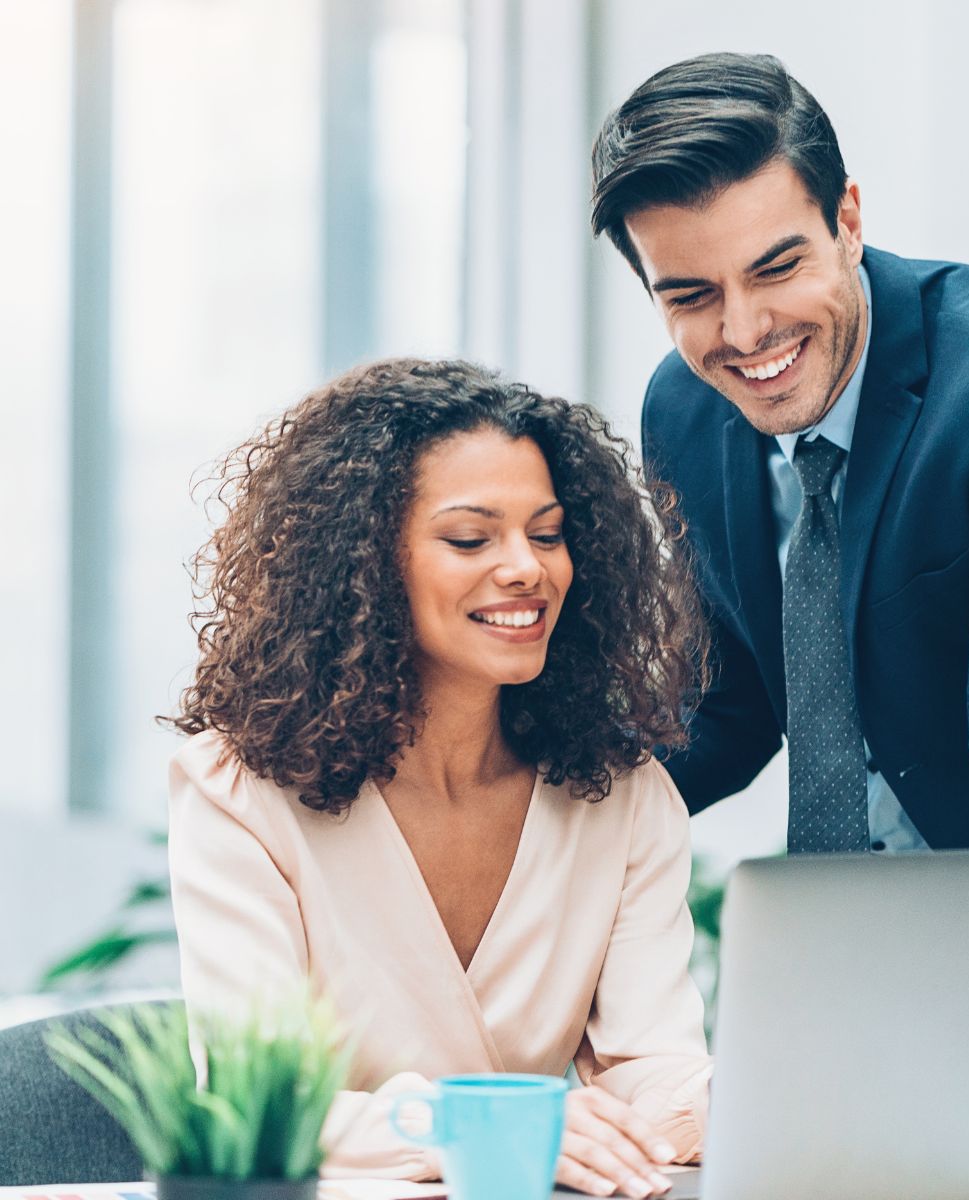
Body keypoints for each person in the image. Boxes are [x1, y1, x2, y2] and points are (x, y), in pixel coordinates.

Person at [590, 52, 969, 1166]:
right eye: (689, 294)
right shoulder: (683, 407)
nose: (744, 330)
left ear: (850, 219)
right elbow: (726, 702)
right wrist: (542, 825)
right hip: (847, 945)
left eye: (778, 267)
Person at [165, 358, 712, 1197]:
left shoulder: (618, 793)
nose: (527, 568)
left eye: (549, 532)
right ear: (362, 561)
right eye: (470, 538)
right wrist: (495, 1131)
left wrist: (751, 1102)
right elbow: (263, 1102)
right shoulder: (238, 794)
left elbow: (652, 1071)